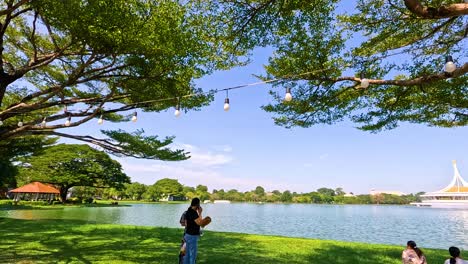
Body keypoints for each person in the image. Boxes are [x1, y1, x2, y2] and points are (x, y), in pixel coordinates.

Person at [183, 198, 204, 264]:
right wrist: (200, 213)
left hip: (187, 235)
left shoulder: (188, 211)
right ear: (198, 204)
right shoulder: (194, 213)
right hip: (192, 236)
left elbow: (186, 224)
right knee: (192, 255)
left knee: (186, 255)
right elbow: (200, 223)